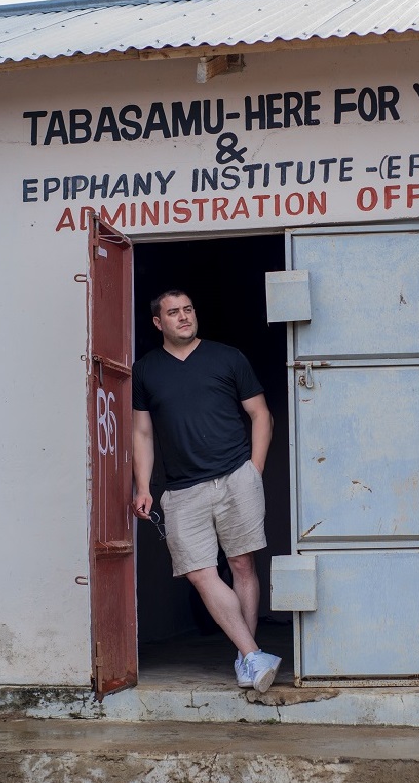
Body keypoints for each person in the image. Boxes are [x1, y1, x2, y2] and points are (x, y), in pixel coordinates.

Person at [131, 289, 282, 693]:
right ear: (157, 323)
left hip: (236, 476)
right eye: (173, 313)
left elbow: (260, 413)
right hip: (182, 489)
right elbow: (142, 431)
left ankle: (245, 657)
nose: (184, 317)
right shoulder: (145, 370)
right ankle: (252, 655)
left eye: (188, 310)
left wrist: (255, 469)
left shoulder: (227, 357)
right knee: (199, 573)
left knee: (243, 565)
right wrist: (142, 485)